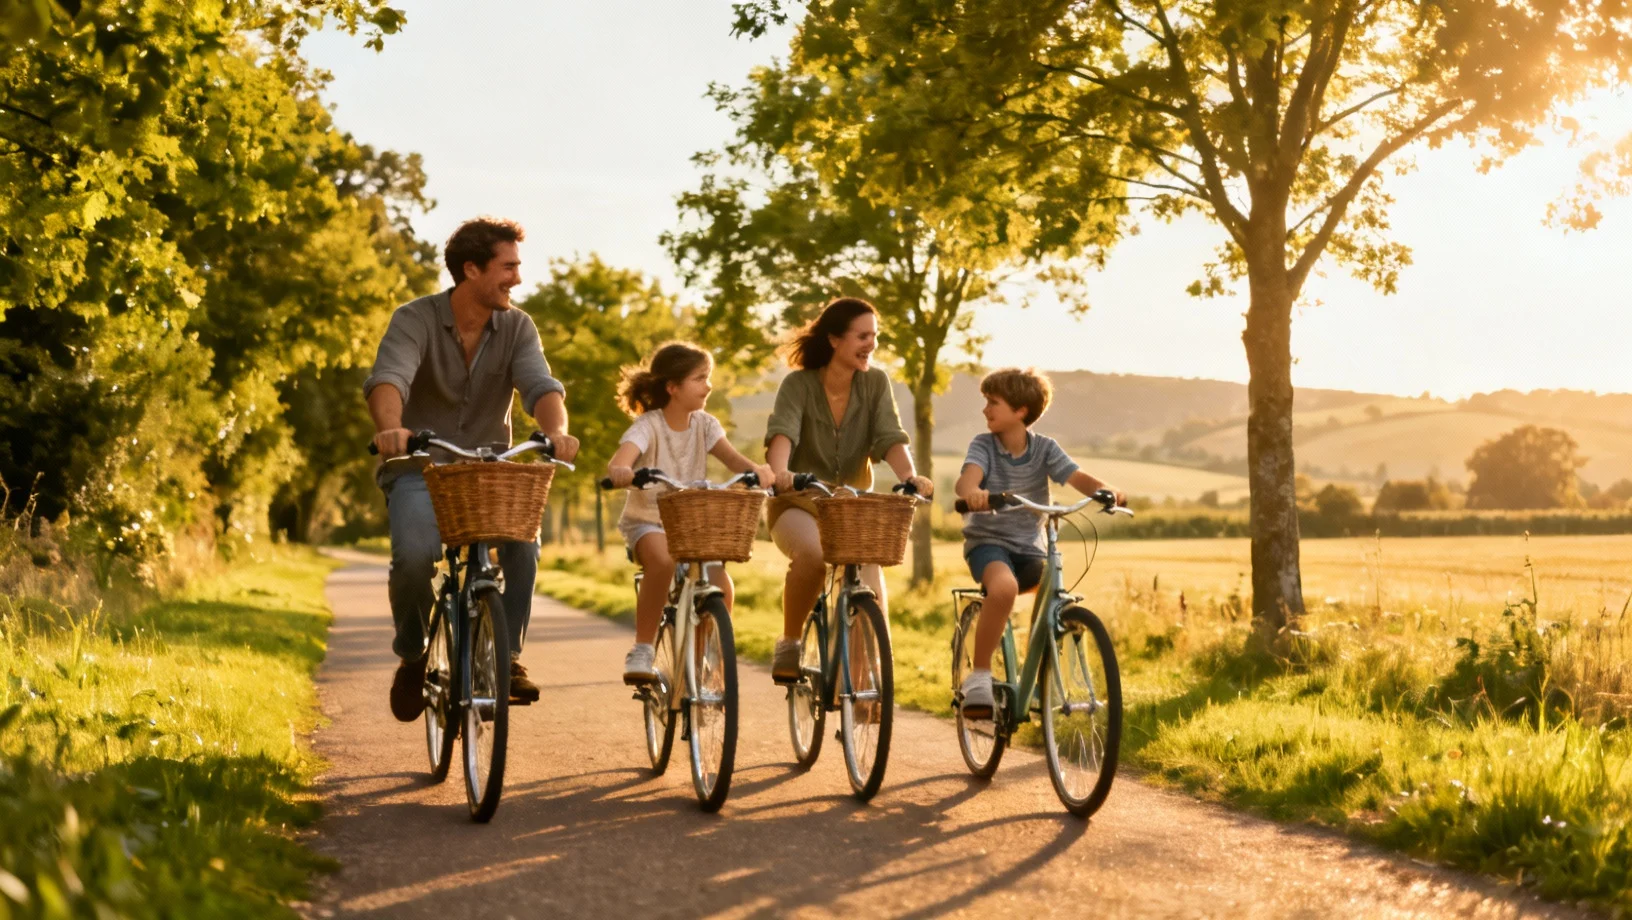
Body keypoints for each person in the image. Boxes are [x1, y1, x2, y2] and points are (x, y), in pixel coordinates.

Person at [363, 217, 581, 721]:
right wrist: (392, 429)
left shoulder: (518, 326)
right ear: (471, 270)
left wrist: (556, 432)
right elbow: (388, 378)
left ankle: (507, 657)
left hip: (487, 471)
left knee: (523, 546)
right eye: (508, 268)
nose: (517, 279)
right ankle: (414, 654)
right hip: (421, 466)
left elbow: (540, 386)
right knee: (416, 558)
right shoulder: (414, 319)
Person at [763, 297, 933, 683]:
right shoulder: (799, 385)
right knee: (813, 555)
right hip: (799, 502)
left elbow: (890, 436)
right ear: (835, 340)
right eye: (862, 335)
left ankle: (863, 680)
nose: (871, 343)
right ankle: (790, 640)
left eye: (875, 335)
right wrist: (780, 473)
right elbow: (783, 433)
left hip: (852, 506)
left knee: (869, 586)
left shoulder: (876, 383)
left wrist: (910, 475)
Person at [953, 367, 1123, 718]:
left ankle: (1035, 677)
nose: (986, 409)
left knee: (1052, 593)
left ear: (1021, 411)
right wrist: (974, 495)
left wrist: (1108, 492)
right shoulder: (984, 445)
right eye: (986, 401)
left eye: (993, 402)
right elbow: (967, 481)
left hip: (1030, 545)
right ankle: (980, 677)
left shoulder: (1045, 448)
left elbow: (1076, 476)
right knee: (1003, 589)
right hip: (989, 542)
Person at [605, 342, 774, 684]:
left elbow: (733, 460)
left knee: (721, 586)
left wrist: (759, 471)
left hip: (690, 526)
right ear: (673, 387)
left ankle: (702, 660)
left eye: (708, 377)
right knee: (663, 562)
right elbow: (621, 459)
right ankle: (642, 648)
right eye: (700, 378)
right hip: (647, 523)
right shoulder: (648, 425)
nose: (708, 385)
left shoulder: (705, 424)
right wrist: (622, 470)